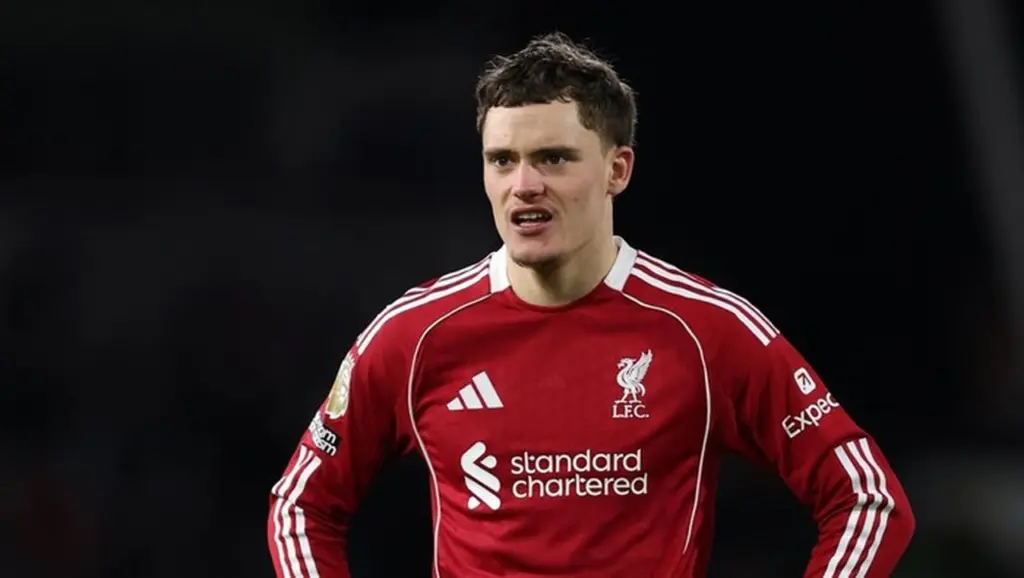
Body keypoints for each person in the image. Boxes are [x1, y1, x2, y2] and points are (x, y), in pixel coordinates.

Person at [267, 32, 915, 577]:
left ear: (618, 170)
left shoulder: (706, 330)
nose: (524, 185)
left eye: (553, 158)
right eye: (502, 160)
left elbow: (868, 498)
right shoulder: (416, 335)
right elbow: (301, 507)